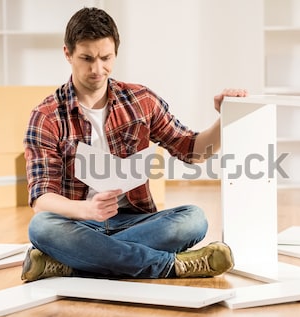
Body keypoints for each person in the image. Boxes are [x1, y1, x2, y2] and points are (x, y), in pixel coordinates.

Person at [21, 7, 248, 282]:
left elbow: (194, 151)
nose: (97, 69)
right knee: (42, 227)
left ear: (116, 52)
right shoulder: (46, 116)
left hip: (132, 219)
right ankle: (168, 266)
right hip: (78, 223)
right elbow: (42, 199)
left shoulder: (140, 101)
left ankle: (74, 263)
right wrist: (87, 210)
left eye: (106, 58)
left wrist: (224, 118)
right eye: (86, 58)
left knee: (194, 219)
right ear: (67, 54)